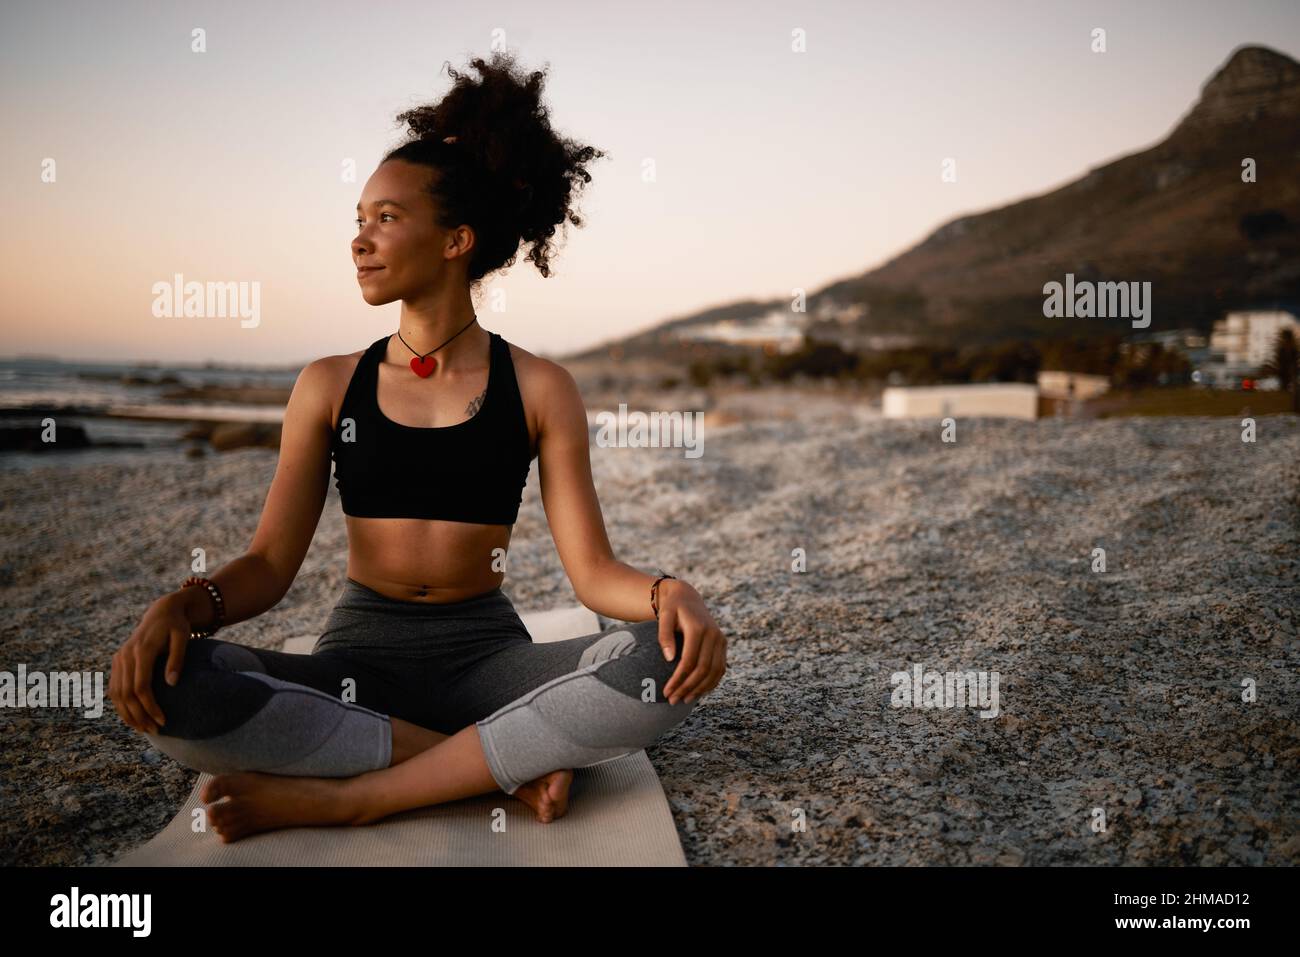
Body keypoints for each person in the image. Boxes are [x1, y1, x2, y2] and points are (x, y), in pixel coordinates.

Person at [109, 51, 727, 843]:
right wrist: (186, 605)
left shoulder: (539, 387)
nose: (360, 240)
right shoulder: (329, 385)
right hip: (356, 665)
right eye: (359, 220)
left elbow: (593, 572)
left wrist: (671, 594)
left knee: (658, 663)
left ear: (455, 240)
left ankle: (357, 794)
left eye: (386, 219)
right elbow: (267, 566)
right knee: (176, 685)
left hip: (492, 668)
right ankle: (478, 764)